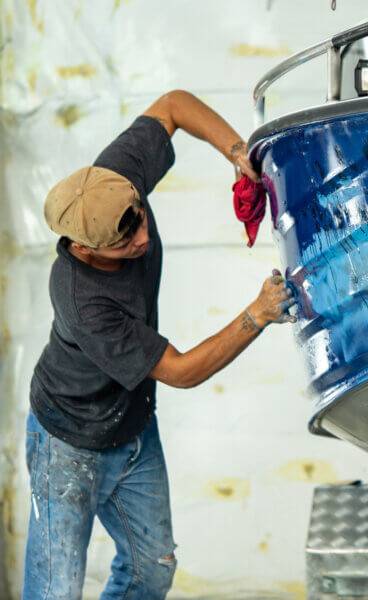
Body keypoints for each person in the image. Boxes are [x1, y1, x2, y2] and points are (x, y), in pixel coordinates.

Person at [24, 90, 297, 599]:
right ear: (84, 248)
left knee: (153, 570)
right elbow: (180, 371)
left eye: (142, 218)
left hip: (129, 426)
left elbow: (173, 106)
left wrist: (237, 151)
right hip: (67, 443)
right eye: (124, 242)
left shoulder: (111, 184)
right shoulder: (85, 301)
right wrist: (256, 315)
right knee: (55, 591)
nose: (142, 238)